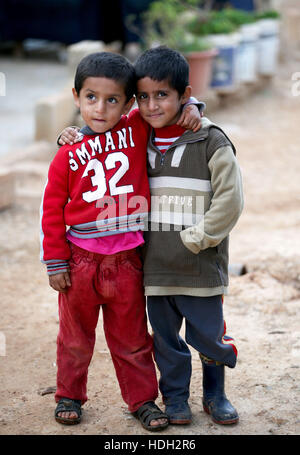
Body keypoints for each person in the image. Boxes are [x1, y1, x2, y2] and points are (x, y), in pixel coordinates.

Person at [40, 51, 202, 431]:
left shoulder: (135, 128)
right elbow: (51, 209)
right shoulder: (67, 153)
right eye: (91, 98)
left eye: (112, 100)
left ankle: (142, 400)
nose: (100, 108)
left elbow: (167, 105)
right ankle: (69, 394)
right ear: (76, 97)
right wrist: (56, 261)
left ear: (128, 103)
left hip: (128, 260)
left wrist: (192, 104)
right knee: (75, 337)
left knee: (131, 339)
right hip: (80, 262)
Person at [133, 46, 244, 426]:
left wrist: (199, 238)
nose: (151, 106)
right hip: (156, 269)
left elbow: (230, 199)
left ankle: (216, 394)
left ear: (184, 94)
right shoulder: (137, 138)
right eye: (143, 97)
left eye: (162, 95)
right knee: (166, 342)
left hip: (200, 264)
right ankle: (176, 399)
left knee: (210, 337)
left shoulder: (209, 138)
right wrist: (74, 132)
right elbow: (103, 126)